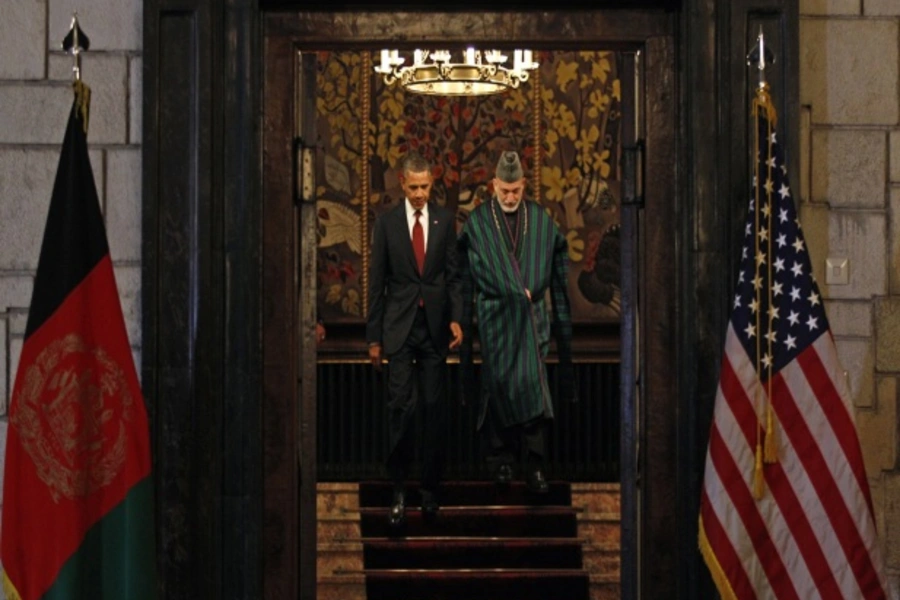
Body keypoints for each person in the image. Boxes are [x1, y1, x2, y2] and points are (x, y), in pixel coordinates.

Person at [458, 150, 576, 494]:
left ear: (525, 185)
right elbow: (473, 267)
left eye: (516, 191)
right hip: (496, 321)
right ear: (494, 185)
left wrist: (530, 289)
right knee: (498, 388)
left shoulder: (540, 220)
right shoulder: (479, 222)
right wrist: (512, 290)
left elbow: (556, 255)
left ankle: (536, 465)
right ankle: (501, 461)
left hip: (532, 319)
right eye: (504, 191)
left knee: (533, 388)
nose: (510, 197)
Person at [366, 151, 463, 526]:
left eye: (426, 186)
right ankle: (398, 489)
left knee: (434, 410)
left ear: (430, 183)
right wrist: (373, 338)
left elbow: (453, 276)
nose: (421, 193)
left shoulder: (444, 221)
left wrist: (456, 319)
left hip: (435, 329)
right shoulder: (387, 224)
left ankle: (429, 491)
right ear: (403, 184)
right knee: (400, 409)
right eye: (415, 187)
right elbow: (376, 285)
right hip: (399, 329)